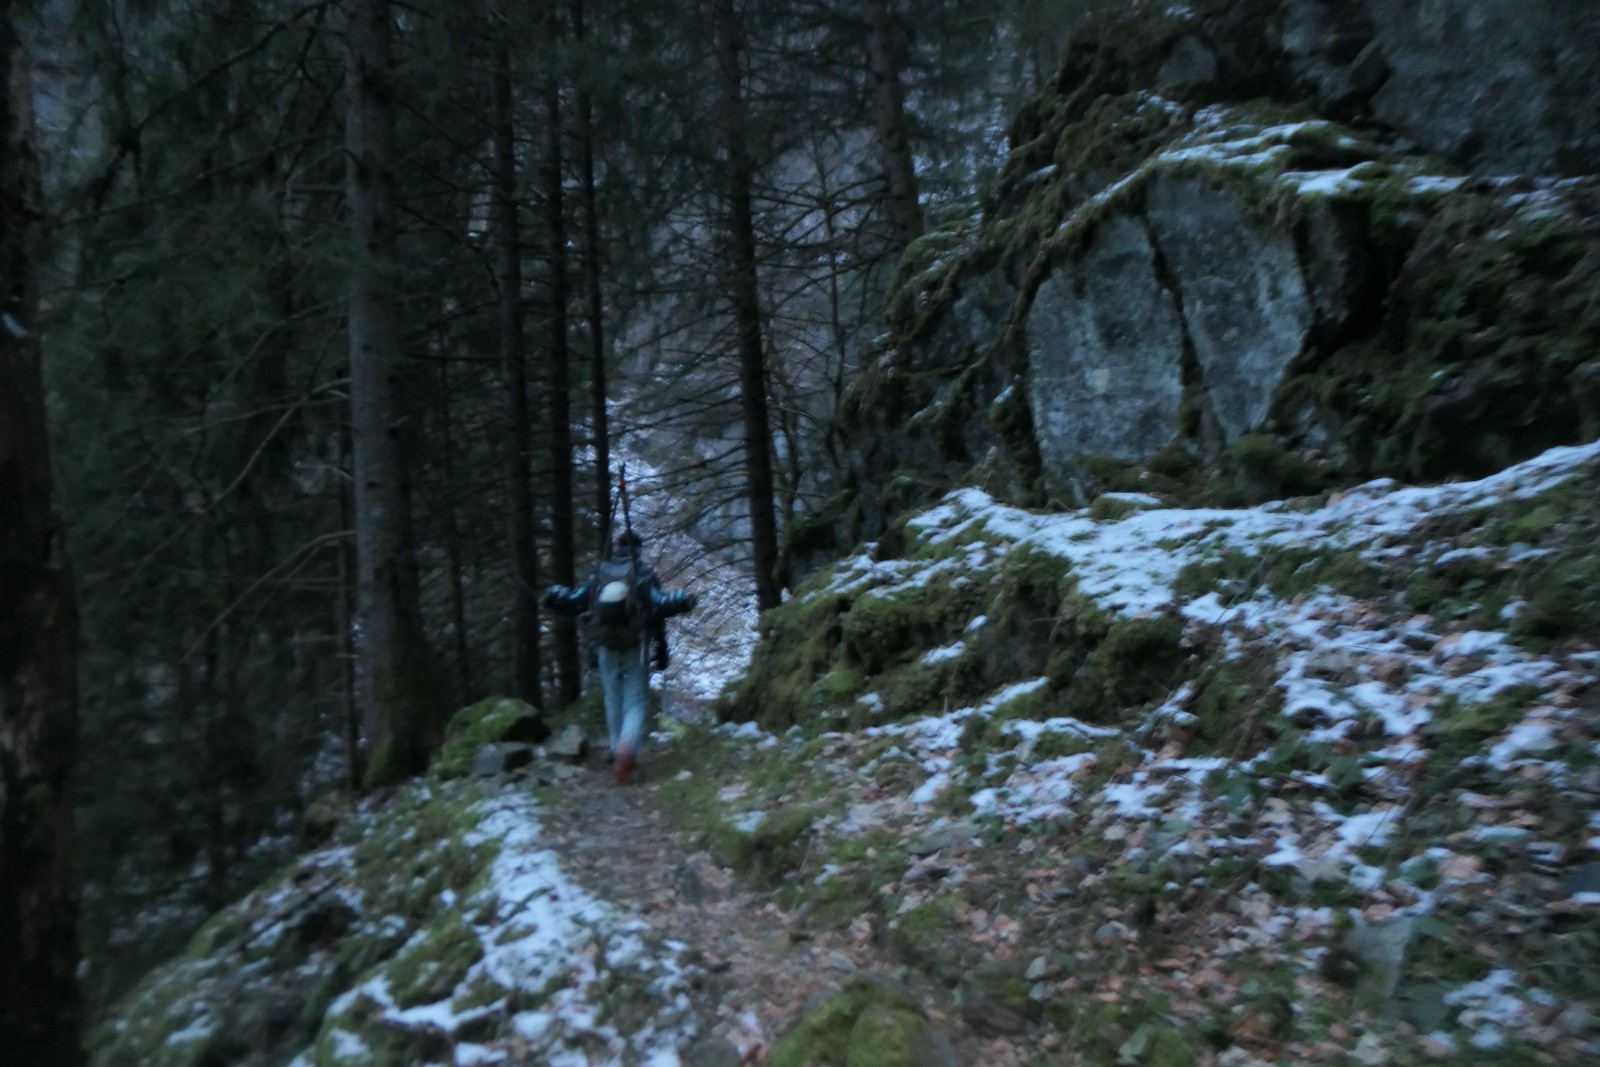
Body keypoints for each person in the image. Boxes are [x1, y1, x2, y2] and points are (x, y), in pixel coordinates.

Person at [543, 531, 697, 783]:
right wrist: (679, 607)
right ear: (639, 549)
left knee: (612, 698)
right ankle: (627, 748)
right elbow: (660, 606)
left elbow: (575, 601)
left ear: (617, 547)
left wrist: (555, 596)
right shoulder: (643, 574)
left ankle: (616, 751)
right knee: (635, 701)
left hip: (606, 646)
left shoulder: (597, 574)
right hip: (636, 645)